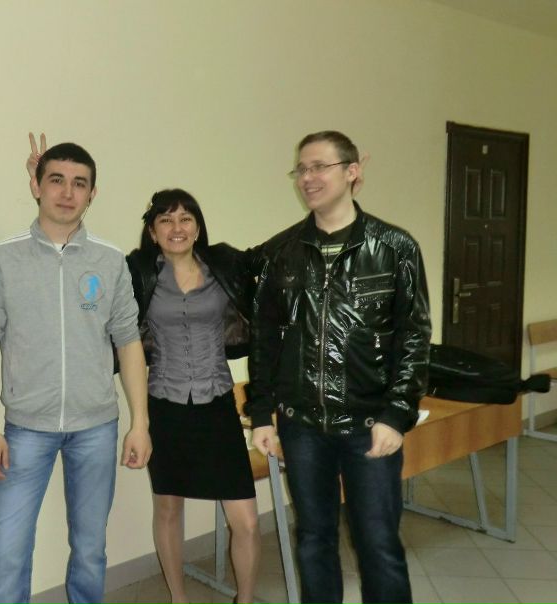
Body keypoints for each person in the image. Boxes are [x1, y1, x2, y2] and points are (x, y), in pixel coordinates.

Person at [248, 130, 431, 604]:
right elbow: (265, 340)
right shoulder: (281, 252)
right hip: (302, 426)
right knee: (314, 540)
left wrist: (397, 414)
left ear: (352, 172)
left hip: (370, 425)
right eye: (301, 169)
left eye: (319, 167)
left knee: (378, 544)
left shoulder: (395, 247)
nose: (307, 178)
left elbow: (414, 338)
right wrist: (262, 413)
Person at [0, 138, 151, 604]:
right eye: (56, 180)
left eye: (79, 183)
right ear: (37, 186)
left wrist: (140, 423)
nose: (67, 193)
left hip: (96, 427)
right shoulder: (3, 258)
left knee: (90, 550)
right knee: (8, 551)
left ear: (92, 194)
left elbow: (129, 343)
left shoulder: (110, 260)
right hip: (26, 430)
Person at [126, 189, 260, 604]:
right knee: (168, 509)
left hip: (217, 404)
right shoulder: (139, 275)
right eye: (166, 220)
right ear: (152, 232)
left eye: (185, 218)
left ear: (198, 228)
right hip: (164, 407)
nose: (177, 227)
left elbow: (270, 258)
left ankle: (244, 600)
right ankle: (179, 599)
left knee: (247, 521)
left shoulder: (225, 266)